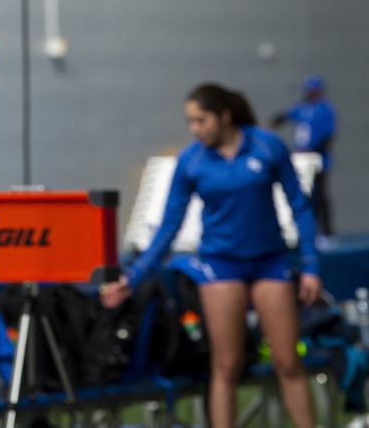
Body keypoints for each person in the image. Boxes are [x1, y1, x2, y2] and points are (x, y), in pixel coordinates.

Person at [101, 83, 322, 428]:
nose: (195, 129)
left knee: (288, 361)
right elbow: (169, 226)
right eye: (190, 122)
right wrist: (133, 277)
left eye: (201, 120)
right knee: (226, 365)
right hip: (221, 265)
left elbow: (300, 206)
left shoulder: (267, 145)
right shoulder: (191, 160)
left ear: (224, 116)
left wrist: (309, 265)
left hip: (270, 263)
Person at [269, 74, 337, 236]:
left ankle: (327, 233)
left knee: (320, 195)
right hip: (301, 159)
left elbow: (329, 136)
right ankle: (308, 232)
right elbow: (284, 116)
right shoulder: (302, 107)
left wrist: (314, 150)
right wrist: (270, 124)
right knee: (303, 195)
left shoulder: (325, 109)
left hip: (318, 158)